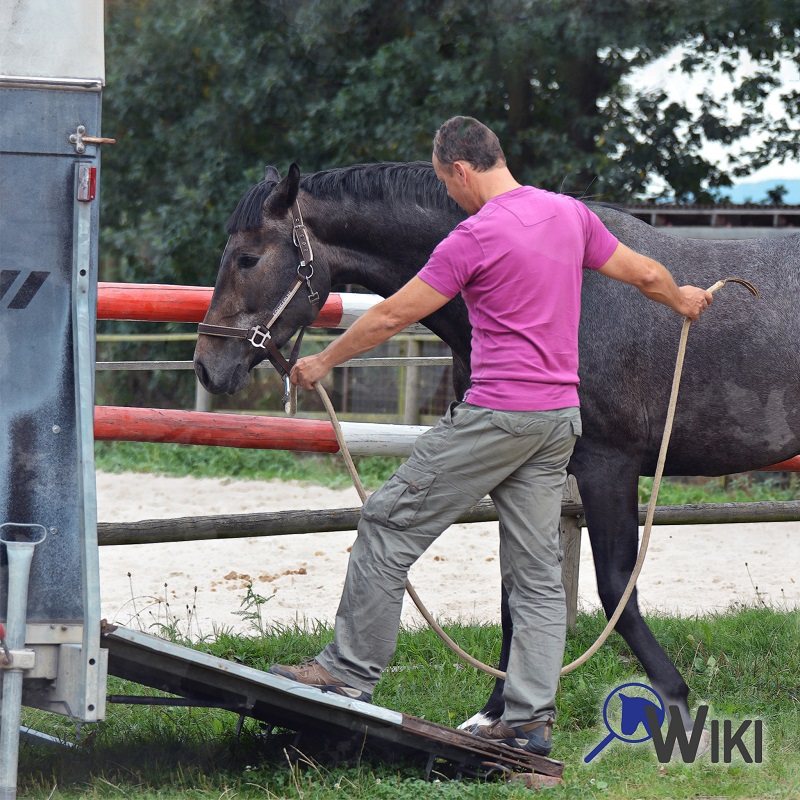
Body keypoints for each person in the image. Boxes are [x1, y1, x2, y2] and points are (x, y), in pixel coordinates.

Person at [268, 116, 712, 756]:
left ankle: (344, 674)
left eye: (447, 181)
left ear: (461, 170)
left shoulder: (471, 237)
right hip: (559, 421)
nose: (449, 195)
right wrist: (682, 300)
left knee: (388, 524)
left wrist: (322, 362)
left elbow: (395, 313)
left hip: (498, 417)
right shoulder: (570, 216)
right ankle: (529, 721)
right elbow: (645, 272)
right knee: (536, 579)